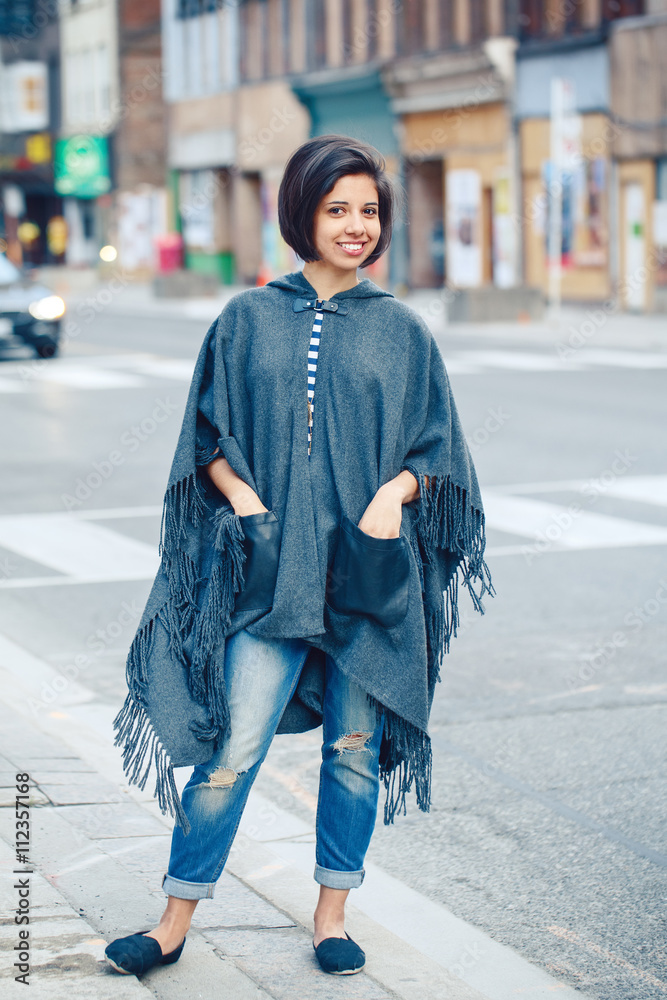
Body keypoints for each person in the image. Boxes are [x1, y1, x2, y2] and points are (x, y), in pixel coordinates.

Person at [104, 134, 494, 979]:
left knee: (352, 751)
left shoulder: (401, 332)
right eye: (337, 209)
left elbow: (441, 458)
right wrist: (245, 503)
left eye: (368, 211)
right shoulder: (245, 319)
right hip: (267, 575)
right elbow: (205, 437)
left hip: (367, 581)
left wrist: (395, 493)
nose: (356, 225)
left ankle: (329, 915)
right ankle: (172, 920)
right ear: (301, 214)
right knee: (232, 749)